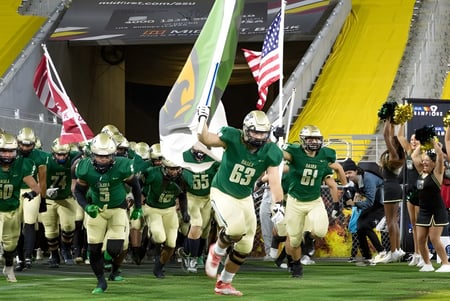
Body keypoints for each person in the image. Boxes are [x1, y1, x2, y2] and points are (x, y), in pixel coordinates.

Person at [198, 108, 284, 296]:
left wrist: (278, 205)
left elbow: (275, 182)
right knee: (235, 229)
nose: (259, 137)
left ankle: (224, 283)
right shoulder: (232, 137)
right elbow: (205, 139)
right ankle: (217, 251)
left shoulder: (271, 151)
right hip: (222, 191)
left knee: (245, 246)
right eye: (255, 131)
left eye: (263, 133)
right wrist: (202, 118)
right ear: (245, 129)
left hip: (244, 197)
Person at [73, 133, 143, 294]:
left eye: (106, 156)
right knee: (94, 249)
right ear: (92, 154)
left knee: (114, 247)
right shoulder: (84, 167)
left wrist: (138, 207)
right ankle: (100, 281)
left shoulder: (123, 165)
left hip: (117, 208)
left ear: (113, 155)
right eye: (99, 156)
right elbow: (78, 191)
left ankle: (109, 264)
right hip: (96, 210)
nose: (103, 159)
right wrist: (86, 207)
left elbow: (136, 186)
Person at [280, 125, 346, 277]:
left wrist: (345, 186)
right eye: (310, 138)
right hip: (294, 201)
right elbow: (280, 155)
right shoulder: (295, 152)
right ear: (303, 140)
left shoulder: (325, 155)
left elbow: (335, 168)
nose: (314, 142)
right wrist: (278, 140)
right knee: (295, 240)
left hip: (314, 200)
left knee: (320, 231)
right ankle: (296, 266)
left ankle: (308, 242)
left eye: (317, 139)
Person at [0, 133, 41, 282]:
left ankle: (9, 267)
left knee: (10, 246)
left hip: (11, 210)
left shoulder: (21, 164)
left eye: (10, 151)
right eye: (4, 150)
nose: (7, 154)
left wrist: (32, 193)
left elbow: (36, 187)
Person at [140, 158, 190, 278]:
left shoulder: (181, 178)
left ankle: (159, 267)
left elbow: (182, 196)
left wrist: (185, 213)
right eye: (171, 169)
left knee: (171, 243)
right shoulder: (153, 173)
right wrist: (138, 197)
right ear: (164, 167)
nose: (174, 172)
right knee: (159, 236)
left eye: (177, 169)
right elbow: (138, 184)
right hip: (153, 209)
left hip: (169, 210)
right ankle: (149, 240)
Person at [411, 132, 450, 272]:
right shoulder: (422, 172)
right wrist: (421, 142)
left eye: (427, 161)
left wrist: (433, 142)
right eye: (424, 161)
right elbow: (414, 157)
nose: (424, 163)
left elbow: (440, 157)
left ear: (434, 164)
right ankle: (427, 264)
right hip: (424, 210)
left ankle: (446, 264)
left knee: (434, 238)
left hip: (436, 210)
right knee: (421, 239)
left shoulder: (437, 173)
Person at [177, 145, 220, 273]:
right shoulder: (183, 157)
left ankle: (194, 254)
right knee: (196, 224)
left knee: (205, 230)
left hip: (207, 197)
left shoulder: (214, 158)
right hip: (191, 197)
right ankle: (192, 257)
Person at [41, 138, 79, 267]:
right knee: (50, 230)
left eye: (64, 154)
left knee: (69, 227)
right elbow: (36, 178)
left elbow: (84, 154)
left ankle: (66, 249)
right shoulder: (45, 160)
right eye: (59, 154)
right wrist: (45, 191)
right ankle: (54, 255)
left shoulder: (73, 157)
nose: (62, 157)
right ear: (53, 153)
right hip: (49, 199)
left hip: (66, 197)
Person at [15, 127, 48, 272]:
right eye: (22, 144)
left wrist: (43, 198)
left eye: (28, 145)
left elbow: (42, 180)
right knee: (15, 224)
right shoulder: (10, 153)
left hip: (31, 191)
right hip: (14, 191)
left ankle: (27, 256)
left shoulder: (40, 156)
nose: (25, 147)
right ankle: (19, 257)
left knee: (29, 223)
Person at [342, 159, 385, 266]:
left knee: (365, 225)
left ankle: (382, 252)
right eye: (345, 173)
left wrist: (354, 204)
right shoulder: (359, 178)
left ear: (356, 171)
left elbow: (369, 202)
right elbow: (361, 193)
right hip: (374, 203)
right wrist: (355, 197)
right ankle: (367, 257)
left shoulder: (367, 179)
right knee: (359, 226)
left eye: (349, 172)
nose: (347, 175)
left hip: (382, 203)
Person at [374, 119, 406, 263]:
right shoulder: (398, 155)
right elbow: (391, 136)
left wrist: (387, 119)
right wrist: (396, 124)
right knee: (393, 220)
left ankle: (393, 251)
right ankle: (397, 250)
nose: (390, 142)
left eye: (393, 142)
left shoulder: (394, 155)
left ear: (395, 145)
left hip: (390, 188)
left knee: (390, 220)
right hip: (395, 188)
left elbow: (386, 136)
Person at [397, 123, 423, 266]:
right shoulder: (408, 151)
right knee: (413, 224)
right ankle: (416, 253)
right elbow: (400, 136)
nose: (413, 142)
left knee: (420, 224)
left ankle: (422, 253)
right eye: (412, 139)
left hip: (419, 191)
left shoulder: (423, 155)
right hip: (409, 191)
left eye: (416, 140)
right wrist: (402, 122)